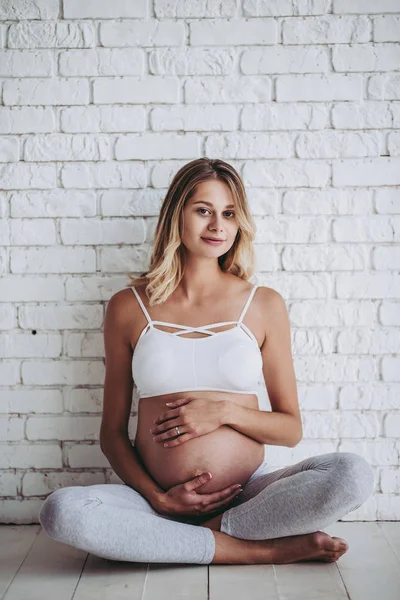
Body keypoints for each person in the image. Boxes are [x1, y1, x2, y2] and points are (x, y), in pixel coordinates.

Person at [38, 158, 374, 565]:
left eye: (229, 213)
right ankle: (260, 550)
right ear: (175, 214)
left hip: (248, 496)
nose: (218, 226)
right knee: (61, 511)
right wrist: (159, 498)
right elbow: (112, 433)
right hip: (157, 500)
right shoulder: (128, 308)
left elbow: (290, 429)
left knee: (352, 474)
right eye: (203, 210)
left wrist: (221, 412)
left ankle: (182, 541)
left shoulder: (263, 304)